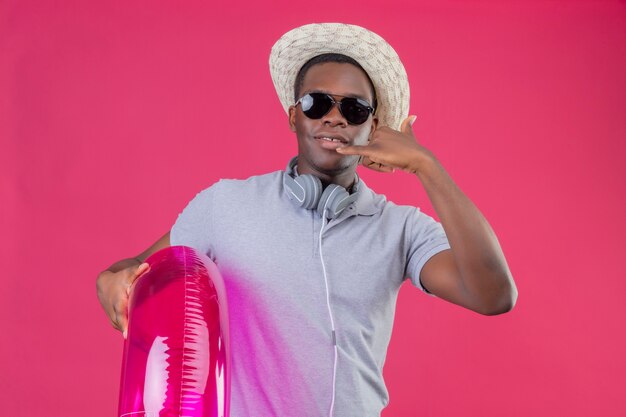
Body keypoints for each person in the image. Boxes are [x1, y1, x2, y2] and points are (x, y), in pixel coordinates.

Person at [97, 23, 517, 417]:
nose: (334, 118)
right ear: (294, 115)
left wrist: (428, 166)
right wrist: (112, 282)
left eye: (354, 109)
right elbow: (131, 272)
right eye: (318, 104)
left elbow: (494, 296)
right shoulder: (224, 204)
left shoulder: (402, 229)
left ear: (373, 126)